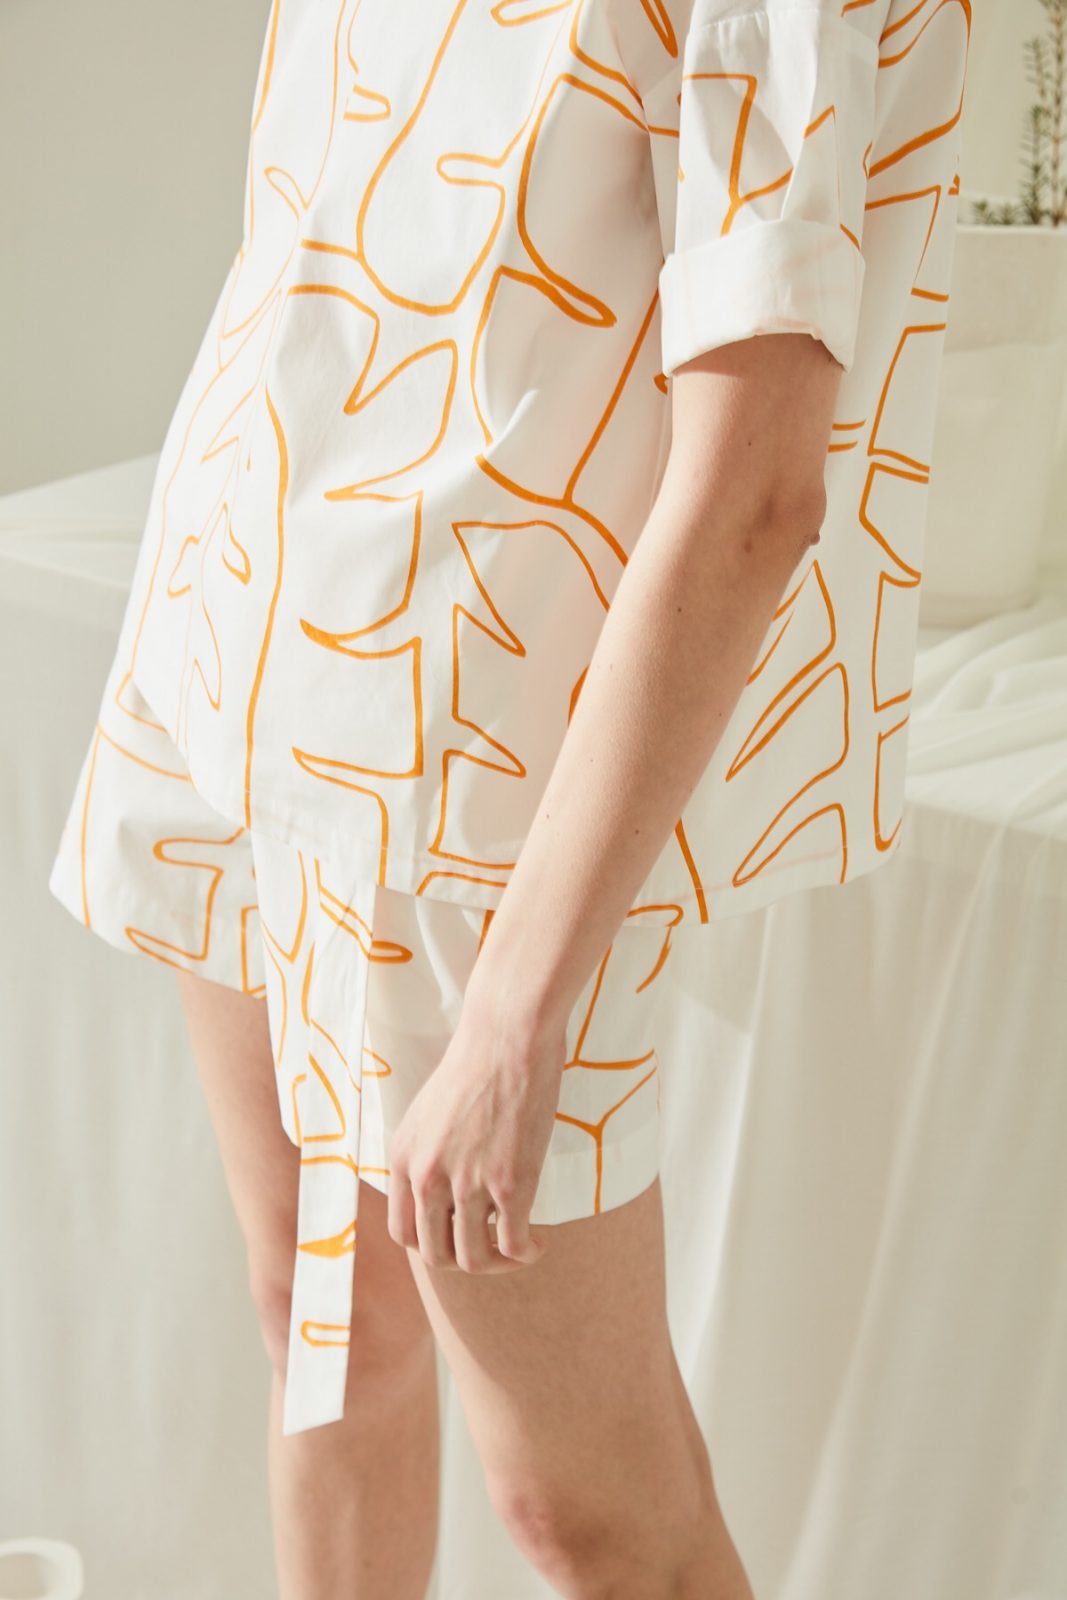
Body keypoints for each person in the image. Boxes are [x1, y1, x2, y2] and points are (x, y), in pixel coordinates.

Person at [48, 0, 971, 1593]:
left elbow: (758, 487)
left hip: (480, 784)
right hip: (235, 638)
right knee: (321, 1325)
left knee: (592, 1512)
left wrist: (516, 1014)